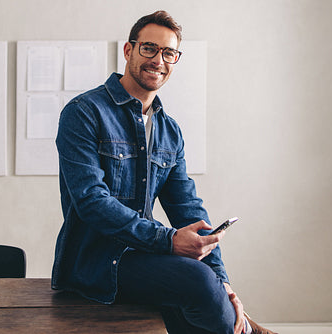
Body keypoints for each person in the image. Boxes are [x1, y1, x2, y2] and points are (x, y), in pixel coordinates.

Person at [52, 10, 277, 334]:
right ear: (129, 51)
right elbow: (91, 202)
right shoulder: (84, 112)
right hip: (97, 263)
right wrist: (170, 240)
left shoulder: (170, 131)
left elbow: (188, 209)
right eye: (149, 49)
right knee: (196, 280)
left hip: (146, 254)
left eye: (168, 53)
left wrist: (224, 283)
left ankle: (244, 328)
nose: (158, 60)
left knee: (204, 288)